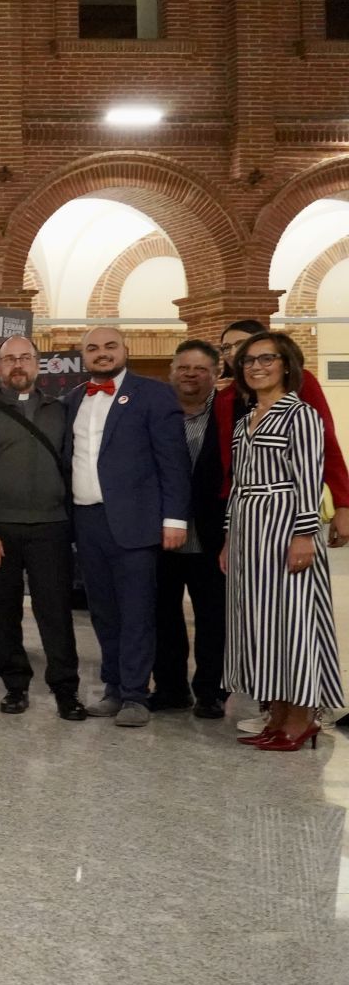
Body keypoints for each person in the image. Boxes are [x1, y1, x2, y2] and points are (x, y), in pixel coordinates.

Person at [63, 326, 191, 728]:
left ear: (126, 349)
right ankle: (114, 688)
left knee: (137, 611)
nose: (102, 353)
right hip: (87, 520)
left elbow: (174, 462)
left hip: (136, 522)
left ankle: (136, 694)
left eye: (110, 346)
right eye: (93, 348)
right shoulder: (72, 399)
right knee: (103, 612)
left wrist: (175, 519)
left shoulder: (153, 394)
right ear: (83, 355)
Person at [223, 331, 343, 750]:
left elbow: (309, 479)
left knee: (294, 622)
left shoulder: (301, 415)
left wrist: (304, 534)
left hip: (285, 525)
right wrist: (229, 538)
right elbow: (238, 484)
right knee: (260, 623)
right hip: (248, 531)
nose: (256, 367)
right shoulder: (246, 421)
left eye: (266, 358)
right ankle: (275, 714)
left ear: (287, 364)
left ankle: (302, 718)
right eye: (249, 361)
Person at [0, 335, 85, 720]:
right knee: (5, 612)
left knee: (55, 612)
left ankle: (66, 690)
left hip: (52, 528)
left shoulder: (61, 411)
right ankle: (15, 686)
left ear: (37, 364)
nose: (17, 364)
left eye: (25, 357)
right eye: (9, 359)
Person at [214, 319, 348, 549]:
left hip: (288, 506)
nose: (233, 352)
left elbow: (326, 446)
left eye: (241, 344)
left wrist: (343, 503)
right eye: (226, 347)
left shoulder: (301, 384)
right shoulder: (225, 398)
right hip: (239, 504)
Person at [153, 340, 227, 717]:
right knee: (162, 615)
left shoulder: (231, 414)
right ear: (171, 372)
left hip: (212, 536)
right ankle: (170, 689)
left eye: (200, 369)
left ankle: (211, 692)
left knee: (214, 618)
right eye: (183, 367)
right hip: (160, 535)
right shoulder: (156, 410)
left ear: (216, 373)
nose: (191, 374)